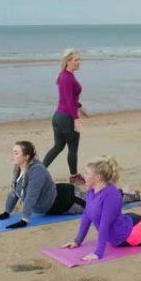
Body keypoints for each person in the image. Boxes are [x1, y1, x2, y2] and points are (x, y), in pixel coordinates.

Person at [0, 142, 141, 229]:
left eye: (16, 152)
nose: (13, 155)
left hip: (67, 201)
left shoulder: (37, 171)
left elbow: (31, 195)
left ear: (26, 156)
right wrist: (6, 211)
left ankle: (139, 196)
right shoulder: (18, 168)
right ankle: (122, 191)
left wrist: (24, 219)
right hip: (56, 198)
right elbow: (14, 191)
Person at [42, 49, 89, 185]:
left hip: (58, 117)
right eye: (76, 60)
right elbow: (68, 101)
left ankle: (38, 171)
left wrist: (79, 107)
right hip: (67, 118)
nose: (79, 62)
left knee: (58, 146)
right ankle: (74, 177)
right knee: (72, 149)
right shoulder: (67, 77)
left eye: (79, 59)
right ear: (68, 61)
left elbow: (70, 98)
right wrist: (75, 119)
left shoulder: (64, 75)